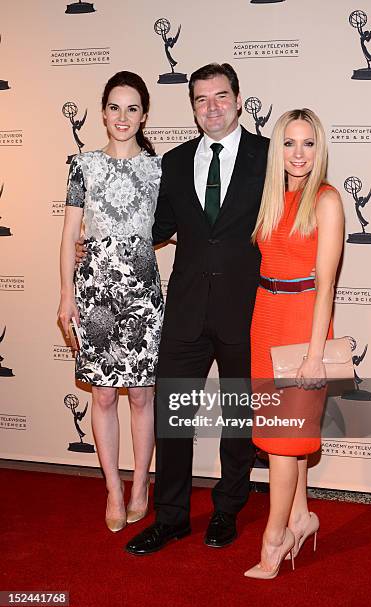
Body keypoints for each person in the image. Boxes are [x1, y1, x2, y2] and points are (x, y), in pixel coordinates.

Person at [123, 63, 270, 554]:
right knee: (174, 417)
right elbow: (158, 226)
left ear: (239, 99)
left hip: (245, 309)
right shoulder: (175, 159)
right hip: (185, 309)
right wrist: (106, 243)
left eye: (221, 96)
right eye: (202, 99)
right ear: (192, 107)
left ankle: (227, 509)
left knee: (237, 417)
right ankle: (172, 517)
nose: (212, 107)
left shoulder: (268, 157)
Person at [58, 71, 164, 533]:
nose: (123, 117)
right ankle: (114, 489)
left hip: (142, 291)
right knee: (102, 394)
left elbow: (176, 226)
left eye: (133, 108)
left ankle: (141, 484)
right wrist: (66, 294)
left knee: (141, 394)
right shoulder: (82, 165)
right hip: (95, 290)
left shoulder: (159, 169)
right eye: (115, 107)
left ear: (144, 115)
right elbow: (68, 236)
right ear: (102, 113)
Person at [245, 109, 344, 579]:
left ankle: (275, 537)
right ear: (277, 149)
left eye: (307, 144)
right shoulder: (271, 198)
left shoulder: (326, 200)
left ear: (318, 148)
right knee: (285, 438)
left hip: (303, 324)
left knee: (283, 442)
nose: (298, 153)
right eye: (289, 143)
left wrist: (313, 354)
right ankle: (303, 517)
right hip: (266, 320)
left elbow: (326, 284)